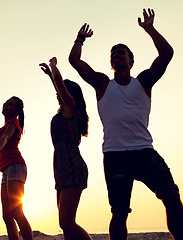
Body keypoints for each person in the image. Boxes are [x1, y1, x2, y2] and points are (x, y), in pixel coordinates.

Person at [69, 8, 183, 240]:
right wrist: (80, 39)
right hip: (115, 156)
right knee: (119, 212)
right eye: (113, 54)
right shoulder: (102, 83)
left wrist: (150, 29)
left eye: (121, 53)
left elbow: (167, 53)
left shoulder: (143, 81)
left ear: (131, 60)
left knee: (171, 196)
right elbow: (74, 60)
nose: (116, 56)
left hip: (145, 152)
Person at [40, 57, 92, 240]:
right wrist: (50, 76)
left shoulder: (71, 108)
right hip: (61, 169)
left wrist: (54, 67)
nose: (58, 93)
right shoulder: (64, 110)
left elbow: (61, 88)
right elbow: (59, 88)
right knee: (66, 227)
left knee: (66, 223)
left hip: (71, 166)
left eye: (62, 91)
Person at [0, 96, 33, 240]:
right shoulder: (6, 125)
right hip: (6, 169)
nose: (6, 105)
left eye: (11, 104)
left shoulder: (13, 123)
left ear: (17, 111)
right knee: (7, 215)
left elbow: (5, 138)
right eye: (6, 102)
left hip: (16, 166)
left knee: (17, 212)